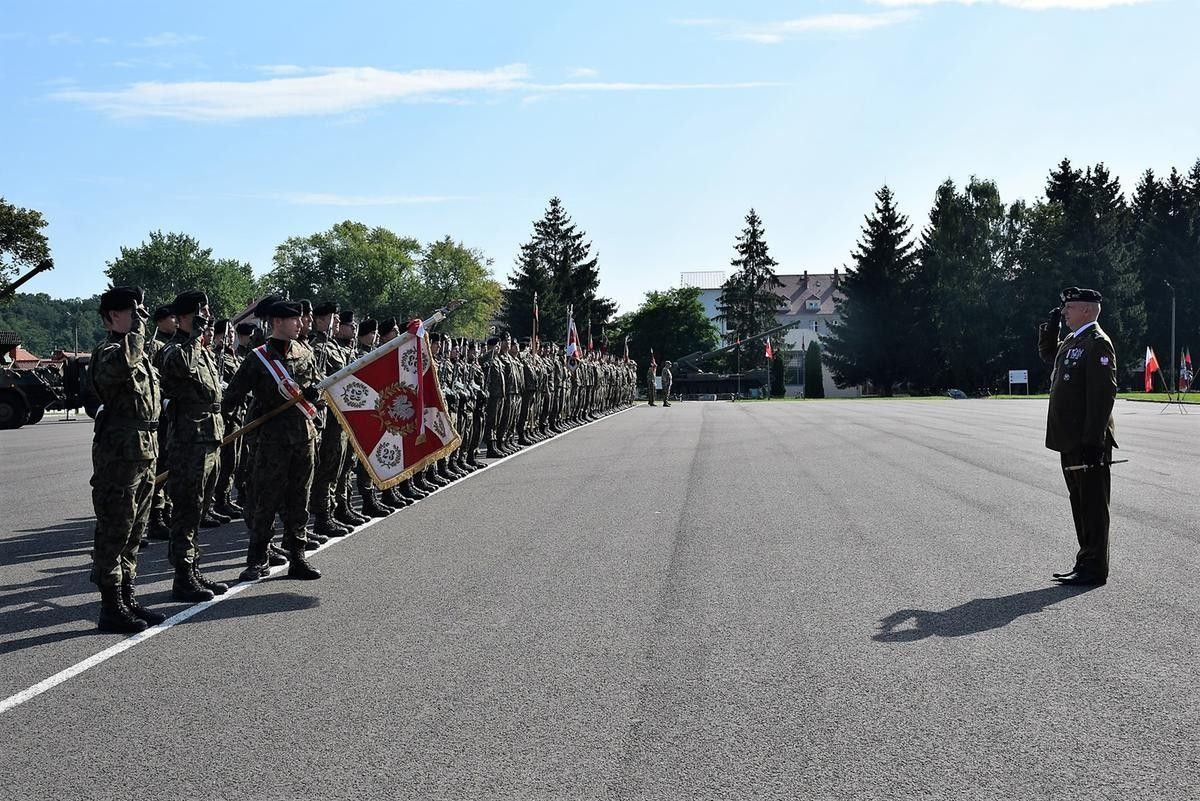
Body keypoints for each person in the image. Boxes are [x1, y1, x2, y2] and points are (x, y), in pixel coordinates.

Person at [221, 299, 323, 581]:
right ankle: (257, 558)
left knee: (299, 499)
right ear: (277, 322)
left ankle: (297, 557)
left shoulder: (305, 352)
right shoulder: (257, 358)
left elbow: (319, 387)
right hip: (270, 442)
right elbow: (233, 397)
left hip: (304, 437)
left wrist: (317, 396)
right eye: (294, 320)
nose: (301, 324)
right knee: (265, 500)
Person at [88, 286, 166, 632]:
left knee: (135, 529)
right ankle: (110, 606)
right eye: (132, 311)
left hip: (145, 448)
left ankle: (127, 594)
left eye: (141, 311)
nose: (140, 318)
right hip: (119, 453)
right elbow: (120, 369)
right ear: (111, 317)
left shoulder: (140, 355)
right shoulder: (108, 352)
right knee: (115, 528)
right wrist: (135, 335)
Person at [1038, 286, 1118, 587]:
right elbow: (1049, 355)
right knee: (1080, 503)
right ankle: (1085, 561)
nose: (1064, 312)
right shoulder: (1073, 340)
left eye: (1069, 308)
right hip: (1071, 439)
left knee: (1093, 506)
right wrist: (1050, 330)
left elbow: (1102, 395)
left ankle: (1095, 568)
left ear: (1087, 309)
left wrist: (1093, 441)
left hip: (1087, 442)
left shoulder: (1098, 343)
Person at [157, 290, 227, 601]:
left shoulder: (201, 350)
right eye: (202, 313)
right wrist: (191, 335)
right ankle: (182, 577)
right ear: (185, 317)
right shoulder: (175, 350)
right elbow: (180, 369)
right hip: (188, 440)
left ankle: (194, 569)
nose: (207, 319)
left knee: (200, 508)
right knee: (186, 508)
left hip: (209, 437)